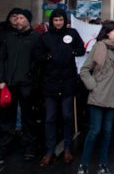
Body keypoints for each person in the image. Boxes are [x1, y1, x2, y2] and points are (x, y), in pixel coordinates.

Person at [35, 9, 86, 166]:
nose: (58, 23)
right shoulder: (45, 36)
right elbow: (38, 55)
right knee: (50, 117)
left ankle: (68, 148)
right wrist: (48, 56)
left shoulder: (72, 33)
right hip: (50, 82)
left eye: (60, 20)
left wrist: (71, 52)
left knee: (67, 116)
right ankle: (50, 150)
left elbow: (81, 49)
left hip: (68, 81)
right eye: (55, 20)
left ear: (65, 21)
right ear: (52, 21)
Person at [0, 8, 40, 162]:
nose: (17, 20)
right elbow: (2, 60)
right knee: (6, 117)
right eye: (16, 18)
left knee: (28, 118)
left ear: (27, 20)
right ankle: (3, 146)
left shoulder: (36, 38)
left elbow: (38, 63)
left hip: (27, 84)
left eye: (21, 18)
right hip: (9, 83)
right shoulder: (9, 37)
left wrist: (34, 80)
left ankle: (30, 147)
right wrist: (0, 79)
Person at [77, 21, 114, 174]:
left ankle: (103, 164)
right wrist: (92, 86)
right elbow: (84, 70)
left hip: (113, 95)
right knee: (95, 131)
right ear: (107, 32)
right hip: (97, 94)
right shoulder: (99, 46)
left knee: (108, 131)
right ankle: (83, 164)